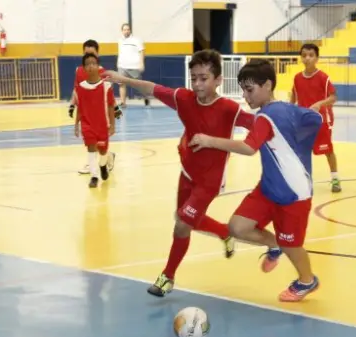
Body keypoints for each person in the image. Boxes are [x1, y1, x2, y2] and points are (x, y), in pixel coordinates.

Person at [103, 49, 255, 297]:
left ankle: (167, 277)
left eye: (204, 78)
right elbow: (152, 88)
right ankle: (224, 232)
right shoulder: (184, 99)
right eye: (193, 78)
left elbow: (257, 125)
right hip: (187, 172)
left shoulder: (228, 109)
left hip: (210, 181)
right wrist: (124, 80)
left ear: (218, 80)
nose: (197, 84)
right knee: (182, 217)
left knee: (183, 225)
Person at [189, 59, 323, 302]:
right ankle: (275, 244)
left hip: (293, 195)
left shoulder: (266, 117)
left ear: (268, 85)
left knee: (293, 245)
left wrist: (209, 141)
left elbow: (249, 147)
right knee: (238, 227)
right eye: (243, 90)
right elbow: (315, 119)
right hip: (269, 187)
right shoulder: (287, 109)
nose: (246, 96)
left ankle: (307, 281)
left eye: (249, 90)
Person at [291, 43, 341, 193]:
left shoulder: (323, 78)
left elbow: (333, 98)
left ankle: (335, 178)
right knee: (302, 150)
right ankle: (305, 179)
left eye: (311, 55)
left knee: (327, 150)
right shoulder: (297, 78)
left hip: (322, 120)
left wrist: (320, 104)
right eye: (304, 55)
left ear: (317, 58)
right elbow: (293, 97)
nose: (307, 58)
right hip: (304, 121)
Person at [70, 39, 120, 175]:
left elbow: (108, 95)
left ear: (97, 55)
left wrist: (116, 109)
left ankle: (103, 158)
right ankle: (104, 158)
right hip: (86, 111)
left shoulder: (103, 73)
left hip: (99, 113)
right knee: (89, 139)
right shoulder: (79, 71)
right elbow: (76, 90)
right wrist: (72, 105)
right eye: (86, 54)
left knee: (98, 141)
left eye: (92, 54)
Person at [116, 23, 149, 108]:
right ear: (122, 31)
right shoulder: (120, 41)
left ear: (130, 30)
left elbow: (142, 51)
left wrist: (141, 63)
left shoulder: (136, 40)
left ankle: (146, 98)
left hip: (134, 67)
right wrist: (119, 63)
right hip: (122, 66)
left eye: (128, 29)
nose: (126, 31)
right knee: (121, 84)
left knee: (140, 86)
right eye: (124, 30)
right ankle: (123, 102)